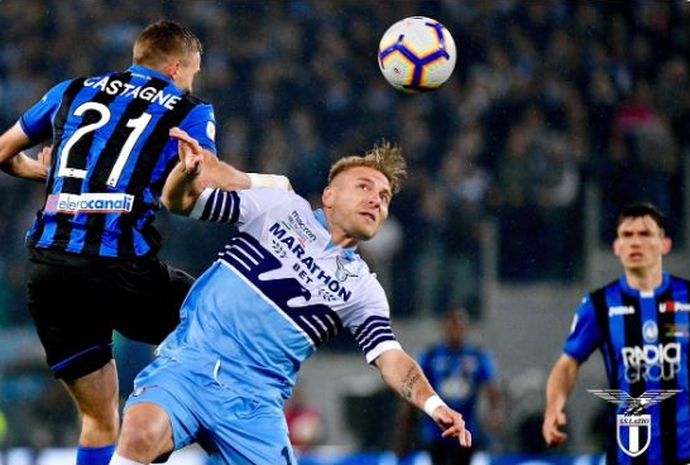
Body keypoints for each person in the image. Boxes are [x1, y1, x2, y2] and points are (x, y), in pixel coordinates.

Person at [0, 20, 286, 465]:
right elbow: (201, 177)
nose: (192, 81)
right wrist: (272, 185)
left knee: (98, 419)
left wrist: (46, 173)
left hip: (48, 268)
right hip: (117, 269)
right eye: (192, 72)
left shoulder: (70, 90)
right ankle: (171, 440)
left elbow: (3, 151)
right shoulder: (188, 108)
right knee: (222, 329)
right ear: (176, 68)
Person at [107, 131, 471, 465]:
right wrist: (187, 174)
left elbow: (389, 357)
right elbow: (179, 201)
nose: (376, 200)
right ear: (329, 195)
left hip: (255, 405)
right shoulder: (279, 207)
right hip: (189, 366)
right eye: (364, 187)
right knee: (139, 434)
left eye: (385, 197)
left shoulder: (363, 288)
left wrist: (433, 403)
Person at [542, 203, 690, 465]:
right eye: (627, 235)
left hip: (689, 453)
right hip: (628, 454)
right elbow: (567, 364)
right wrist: (554, 407)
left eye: (645, 234)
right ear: (616, 247)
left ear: (664, 244)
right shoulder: (600, 305)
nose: (635, 242)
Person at [394, 308, 502, 465]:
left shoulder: (477, 356)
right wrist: (403, 434)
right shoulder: (430, 356)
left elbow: (493, 391)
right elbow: (413, 393)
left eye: (459, 326)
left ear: (466, 329)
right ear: (444, 328)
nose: (455, 331)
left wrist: (495, 415)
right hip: (435, 435)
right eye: (451, 326)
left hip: (467, 433)